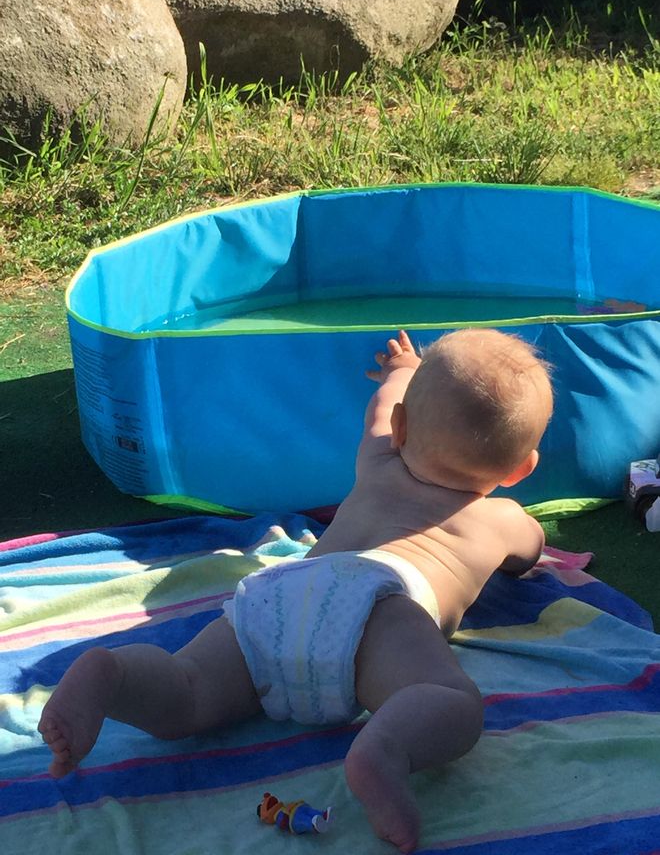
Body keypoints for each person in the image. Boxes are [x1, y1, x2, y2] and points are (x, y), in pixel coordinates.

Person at [39, 327, 553, 853]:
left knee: (189, 690)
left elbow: (383, 408)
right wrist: (526, 545)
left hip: (280, 595)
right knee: (452, 702)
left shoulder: (379, 463)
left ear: (401, 428)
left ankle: (115, 676)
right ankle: (384, 752)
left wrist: (401, 372)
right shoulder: (499, 518)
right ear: (522, 469)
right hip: (385, 605)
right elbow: (529, 551)